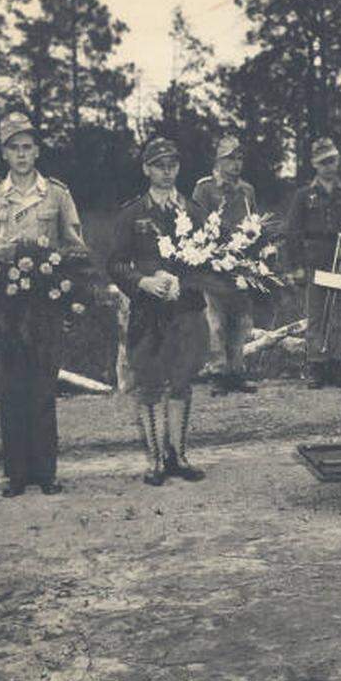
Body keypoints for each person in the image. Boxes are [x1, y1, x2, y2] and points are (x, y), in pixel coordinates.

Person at [0, 112, 88, 497]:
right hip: (5, 305)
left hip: (45, 303)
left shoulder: (57, 194)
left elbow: (75, 247)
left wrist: (58, 271)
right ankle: (16, 473)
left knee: (43, 386)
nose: (21, 154)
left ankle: (45, 471)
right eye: (14, 147)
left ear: (38, 150)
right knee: (12, 386)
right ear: (4, 153)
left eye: (27, 147)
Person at [110, 137, 210, 486]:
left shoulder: (195, 212)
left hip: (185, 311)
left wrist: (188, 280)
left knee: (182, 379)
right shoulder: (132, 213)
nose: (166, 172)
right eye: (158, 166)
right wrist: (141, 282)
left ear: (179, 168)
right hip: (148, 314)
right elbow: (116, 264)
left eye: (172, 165)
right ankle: (155, 460)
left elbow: (212, 261)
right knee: (150, 382)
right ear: (146, 169)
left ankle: (179, 455)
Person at [284, 137, 341, 388]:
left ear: (338, 161)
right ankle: (316, 365)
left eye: (332, 161)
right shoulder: (304, 195)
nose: (329, 166)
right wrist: (297, 266)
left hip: (340, 258)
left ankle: (337, 366)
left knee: (338, 315)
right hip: (314, 258)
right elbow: (292, 232)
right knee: (316, 315)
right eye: (323, 162)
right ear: (315, 164)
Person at [192, 134, 257, 396]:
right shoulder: (205, 188)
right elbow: (196, 223)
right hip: (215, 262)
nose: (236, 164)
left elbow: (254, 223)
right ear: (218, 161)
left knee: (241, 318)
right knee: (216, 319)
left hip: (241, 263)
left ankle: (237, 371)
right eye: (230, 158)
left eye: (240, 158)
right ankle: (218, 371)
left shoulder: (247, 190)